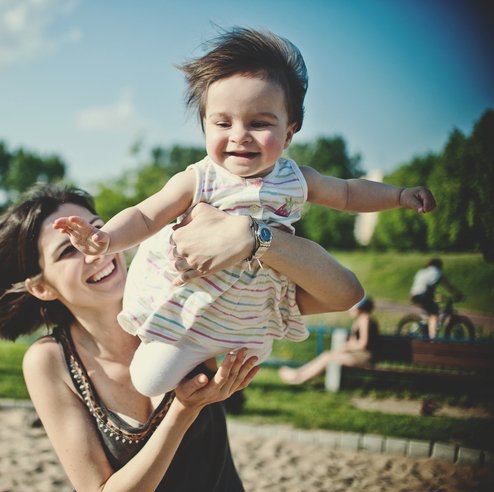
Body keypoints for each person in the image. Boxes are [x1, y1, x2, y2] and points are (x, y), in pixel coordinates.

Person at [53, 27, 436, 397]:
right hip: (194, 304)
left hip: (251, 308)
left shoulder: (296, 178)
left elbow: (351, 193)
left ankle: (219, 361)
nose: (239, 135)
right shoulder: (199, 179)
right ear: (204, 126)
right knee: (149, 379)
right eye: (223, 123)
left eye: (259, 123)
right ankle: (184, 363)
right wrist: (106, 240)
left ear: (289, 132)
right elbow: (145, 216)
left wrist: (400, 195)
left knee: (247, 360)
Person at [0, 183, 363, 492]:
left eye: (95, 229)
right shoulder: (49, 362)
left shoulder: (190, 295)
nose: (93, 249)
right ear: (42, 288)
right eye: (67, 251)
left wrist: (256, 237)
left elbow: (342, 293)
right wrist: (183, 409)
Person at [278, 296, 379, 385]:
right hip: (357, 355)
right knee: (327, 356)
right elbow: (356, 341)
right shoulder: (360, 320)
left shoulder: (365, 320)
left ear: (360, 308)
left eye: (353, 308)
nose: (350, 310)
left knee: (327, 357)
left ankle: (299, 378)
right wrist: (348, 346)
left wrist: (347, 346)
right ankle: (298, 374)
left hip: (364, 357)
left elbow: (363, 343)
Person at [409, 258, 463, 339]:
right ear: (439, 266)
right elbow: (449, 286)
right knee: (434, 314)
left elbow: (420, 285)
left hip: (413, 295)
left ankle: (422, 328)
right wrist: (458, 293)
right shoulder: (437, 272)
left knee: (430, 310)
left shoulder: (422, 271)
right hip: (424, 295)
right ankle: (432, 338)